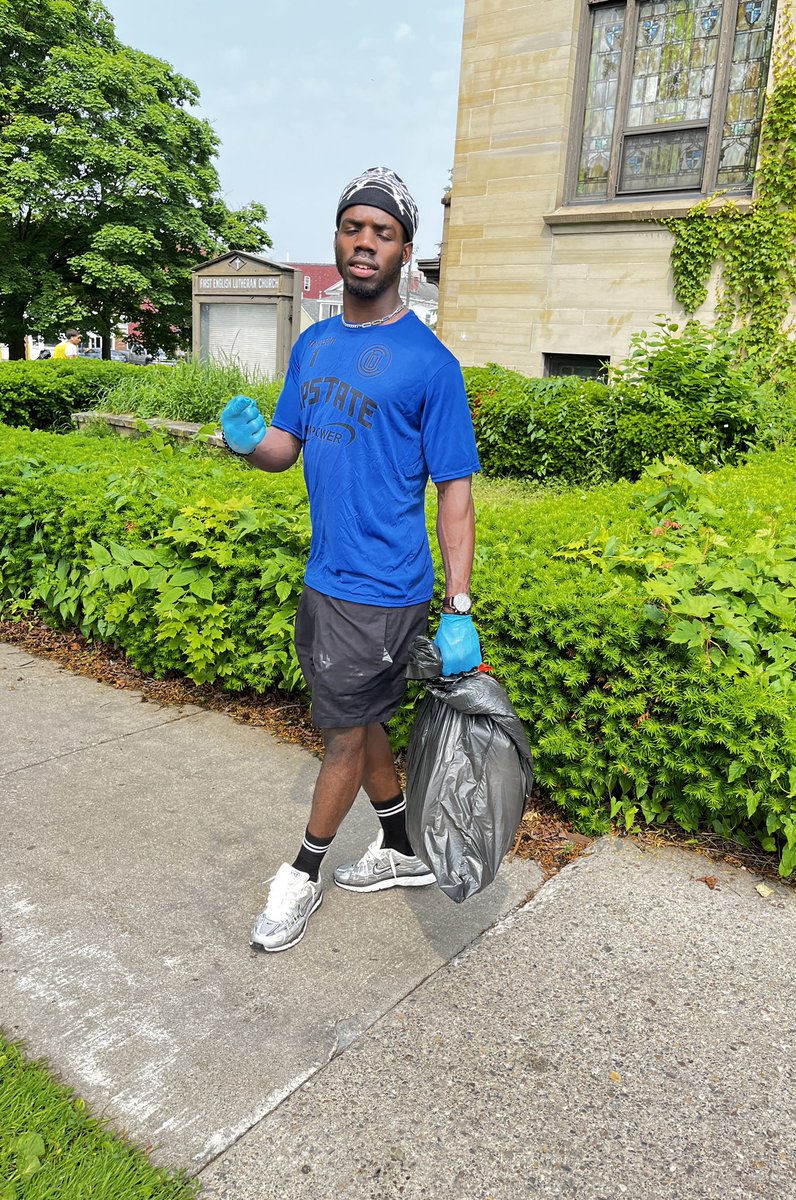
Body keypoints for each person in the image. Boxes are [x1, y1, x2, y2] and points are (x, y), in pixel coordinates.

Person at [220, 167, 482, 954]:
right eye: (353, 228)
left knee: (338, 733)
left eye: (384, 232)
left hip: (386, 588)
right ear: (338, 239)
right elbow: (284, 449)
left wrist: (459, 607)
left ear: (404, 249)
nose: (365, 243)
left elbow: (457, 496)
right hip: (324, 576)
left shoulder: (431, 365)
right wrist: (245, 442)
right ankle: (402, 846)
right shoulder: (314, 344)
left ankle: (301, 874)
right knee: (359, 717)